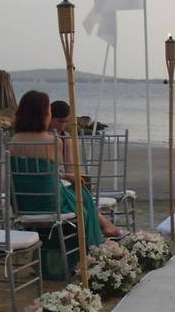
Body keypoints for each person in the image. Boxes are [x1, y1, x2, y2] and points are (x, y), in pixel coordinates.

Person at [9, 91, 122, 246]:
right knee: (81, 193)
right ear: (42, 115)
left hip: (22, 203)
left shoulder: (13, 141)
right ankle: (91, 245)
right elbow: (54, 175)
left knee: (79, 193)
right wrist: (68, 176)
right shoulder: (53, 141)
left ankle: (103, 229)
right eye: (48, 112)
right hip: (51, 203)